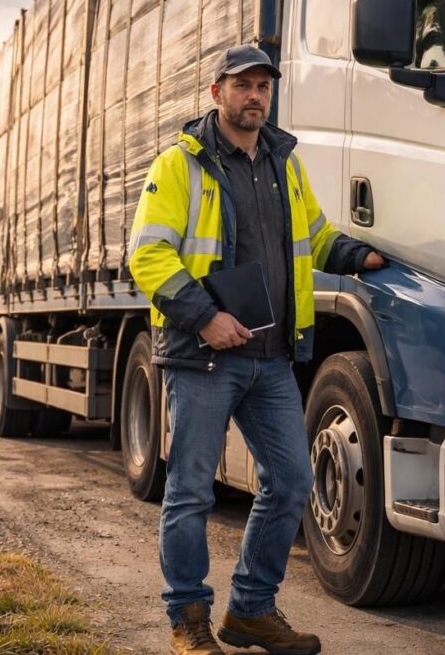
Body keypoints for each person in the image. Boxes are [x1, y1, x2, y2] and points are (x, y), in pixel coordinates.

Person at [128, 44, 386, 655]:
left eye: (263, 87)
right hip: (204, 355)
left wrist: (361, 257)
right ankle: (187, 620)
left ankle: (250, 610)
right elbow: (147, 254)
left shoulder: (283, 163)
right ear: (216, 93)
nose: (255, 96)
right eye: (242, 85)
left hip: (270, 358)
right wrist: (205, 317)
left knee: (292, 484)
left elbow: (315, 236)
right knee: (190, 489)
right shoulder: (179, 165)